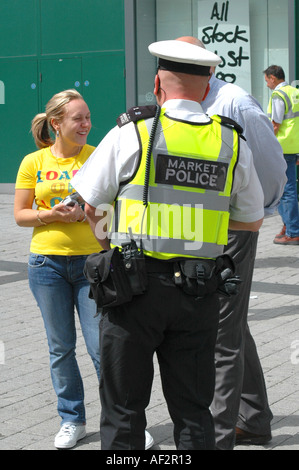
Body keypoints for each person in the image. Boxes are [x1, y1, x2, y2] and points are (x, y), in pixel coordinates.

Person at [71, 39, 264, 450]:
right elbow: (250, 218)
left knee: (123, 413)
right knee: (194, 413)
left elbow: (90, 203)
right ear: (207, 88)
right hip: (198, 293)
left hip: (132, 291)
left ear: (158, 84)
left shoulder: (133, 131)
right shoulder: (231, 142)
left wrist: (108, 240)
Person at [178, 38, 286, 449]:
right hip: (197, 229)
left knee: (220, 328)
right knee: (232, 323)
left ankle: (217, 437)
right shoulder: (184, 103)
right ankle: (254, 420)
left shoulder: (234, 103)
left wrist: (253, 215)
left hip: (232, 228)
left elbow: (273, 167)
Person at [14, 90, 102, 450]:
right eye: (78, 119)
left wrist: (89, 213)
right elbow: (20, 215)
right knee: (61, 348)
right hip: (46, 265)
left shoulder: (96, 157)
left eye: (87, 117)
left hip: (91, 265)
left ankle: (122, 421)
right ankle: (72, 419)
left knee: (103, 348)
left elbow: (111, 208)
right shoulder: (33, 162)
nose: (86, 125)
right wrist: (50, 214)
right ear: (57, 123)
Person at [264, 65, 299, 245]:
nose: (267, 85)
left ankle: (293, 231)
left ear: (272, 78)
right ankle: (289, 225)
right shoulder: (295, 92)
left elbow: (275, 125)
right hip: (293, 147)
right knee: (287, 190)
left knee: (286, 191)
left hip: (282, 148)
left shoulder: (279, 95)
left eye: (267, 81)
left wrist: (266, 144)